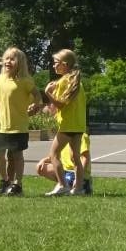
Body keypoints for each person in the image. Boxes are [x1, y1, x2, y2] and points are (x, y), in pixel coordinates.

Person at [0, 47, 37, 196]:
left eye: (12, 59)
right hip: (2, 126)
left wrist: (36, 104)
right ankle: (5, 180)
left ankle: (18, 184)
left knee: (17, 156)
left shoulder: (25, 81)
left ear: (20, 63)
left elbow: (37, 95)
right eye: (6, 58)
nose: (8, 61)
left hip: (19, 127)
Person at [42, 49, 89, 196]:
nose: (53, 66)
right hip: (79, 125)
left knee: (54, 154)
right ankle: (79, 188)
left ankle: (62, 185)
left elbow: (60, 105)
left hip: (68, 125)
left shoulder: (63, 81)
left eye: (56, 63)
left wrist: (48, 93)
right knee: (76, 157)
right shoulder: (77, 83)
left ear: (65, 64)